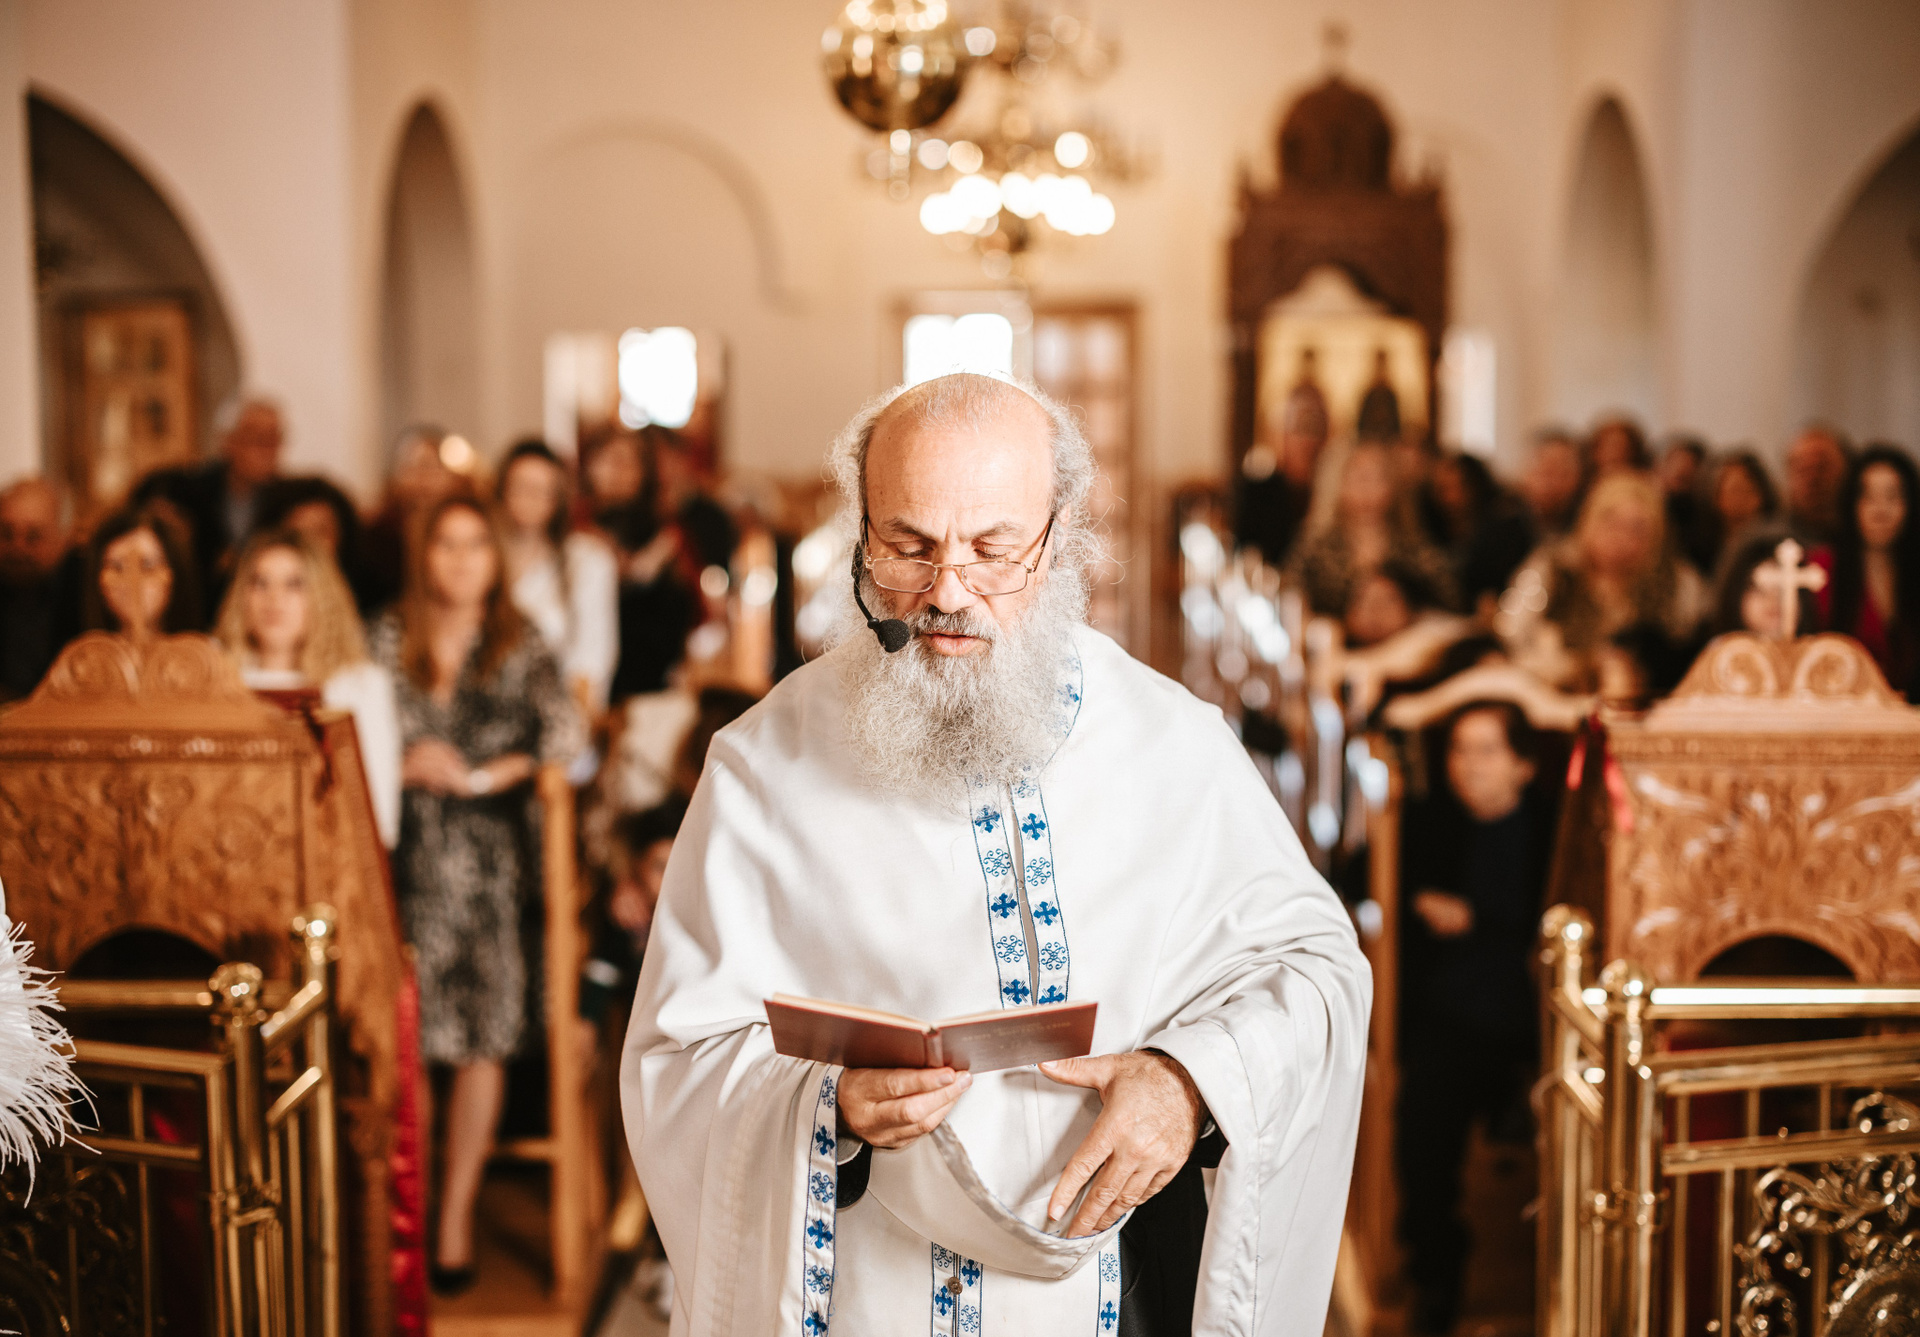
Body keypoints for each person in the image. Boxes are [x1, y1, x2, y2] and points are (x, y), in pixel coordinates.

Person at [623, 373, 1369, 1334]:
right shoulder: (763, 767)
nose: (948, 592)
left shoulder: (1171, 743)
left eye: (992, 549)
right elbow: (678, 1060)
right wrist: (827, 1105)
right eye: (909, 546)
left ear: (1059, 539)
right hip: (867, 1297)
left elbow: (1315, 971)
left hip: (1118, 1292)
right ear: (859, 533)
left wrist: (1187, 1082)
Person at [369, 495, 585, 1294]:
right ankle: (414, 1209)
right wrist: (402, 767)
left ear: (495, 557)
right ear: (422, 553)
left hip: (496, 865)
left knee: (482, 1041)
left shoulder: (519, 640)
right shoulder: (386, 635)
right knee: (412, 1039)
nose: (460, 559)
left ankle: (455, 1214)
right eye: (445, 543)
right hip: (404, 858)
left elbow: (565, 735)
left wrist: (486, 775)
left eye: (475, 544)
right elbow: (350, 733)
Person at [1396, 702, 1553, 1335]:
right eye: (1459, 749)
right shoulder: (1430, 823)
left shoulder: (1552, 832)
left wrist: (1476, 920)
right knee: (1422, 1148)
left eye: (1487, 750)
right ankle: (1435, 1284)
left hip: (1525, 1031)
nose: (1468, 765)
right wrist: (1420, 902)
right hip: (1446, 1023)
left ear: (1523, 765)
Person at [215, 531, 403, 848]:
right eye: (260, 583)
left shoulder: (360, 686)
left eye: (294, 585)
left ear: (321, 597)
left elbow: (378, 817)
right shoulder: (214, 679)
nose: (274, 600)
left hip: (328, 855)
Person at [1498, 472, 1703, 689]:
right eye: (1612, 523)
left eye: (1637, 530)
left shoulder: (1674, 584)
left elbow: (1683, 657)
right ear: (1589, 520)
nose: (1621, 538)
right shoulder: (1553, 570)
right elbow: (1509, 635)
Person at [133, 396, 285, 617]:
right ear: (229, 441)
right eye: (257, 439)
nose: (267, 450)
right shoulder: (188, 490)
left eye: (275, 439)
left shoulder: (288, 500)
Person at [497, 440, 620, 713]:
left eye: (540, 490)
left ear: (558, 497)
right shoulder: (484, 557)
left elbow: (592, 661)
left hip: (555, 711)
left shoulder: (586, 560)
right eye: (520, 487)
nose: (529, 499)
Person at [1288, 440, 1456, 616]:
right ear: (1339, 484)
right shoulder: (1317, 543)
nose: (1367, 489)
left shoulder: (1413, 546)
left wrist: (1409, 613)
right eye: (1360, 478)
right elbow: (1290, 592)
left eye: (1378, 479)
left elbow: (1450, 599)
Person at [1813, 444, 1920, 699]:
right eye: (1868, 497)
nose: (1880, 510)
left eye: (1892, 497)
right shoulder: (1821, 569)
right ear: (1851, 504)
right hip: (1840, 707)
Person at [1234, 347, 1330, 568]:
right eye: (1299, 428)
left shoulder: (1333, 492)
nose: (1307, 441)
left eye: (1314, 429)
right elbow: (1247, 550)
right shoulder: (1258, 490)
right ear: (1283, 434)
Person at [254, 474, 381, 615]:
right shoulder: (260, 607)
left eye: (320, 531)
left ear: (344, 537)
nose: (310, 543)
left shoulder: (372, 607)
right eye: (298, 533)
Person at [1428, 452, 1536, 616]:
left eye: (1459, 486)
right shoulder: (1432, 530)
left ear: (1475, 485)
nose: (1452, 498)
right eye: (1443, 489)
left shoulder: (1504, 527)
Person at [83, 499, 203, 640]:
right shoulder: (83, 652)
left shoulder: (204, 651)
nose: (131, 581)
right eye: (117, 567)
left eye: (146, 566)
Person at [0, 477, 69, 699]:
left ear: (63, 539)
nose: (18, 547)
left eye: (33, 536)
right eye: (7, 534)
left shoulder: (86, 593)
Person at [1712, 534, 1819, 640]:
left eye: (1782, 589)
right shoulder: (1721, 649)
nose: (1773, 598)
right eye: (1758, 588)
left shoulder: (1820, 648)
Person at [1701, 451, 1780, 578]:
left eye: (1748, 490)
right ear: (1717, 497)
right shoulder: (1705, 548)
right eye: (1735, 490)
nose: (1741, 500)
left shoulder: (1775, 543)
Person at [1786, 425, 1851, 547]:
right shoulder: (1763, 544)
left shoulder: (1869, 545)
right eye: (1803, 469)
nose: (1813, 479)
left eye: (1822, 468)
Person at [1519, 428, 1587, 539]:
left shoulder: (1584, 521)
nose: (1552, 483)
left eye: (1563, 473)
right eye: (1545, 472)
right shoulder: (1505, 518)